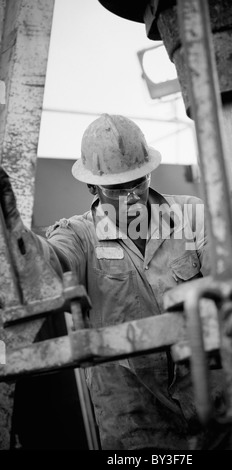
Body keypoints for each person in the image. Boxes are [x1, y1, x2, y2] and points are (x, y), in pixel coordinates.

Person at [0, 113, 210, 450]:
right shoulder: (78, 236)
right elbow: (47, 269)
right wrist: (11, 230)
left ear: (149, 172)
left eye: (137, 182)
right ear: (92, 187)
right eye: (117, 188)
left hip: (213, 406)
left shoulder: (191, 216)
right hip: (137, 424)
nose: (131, 197)